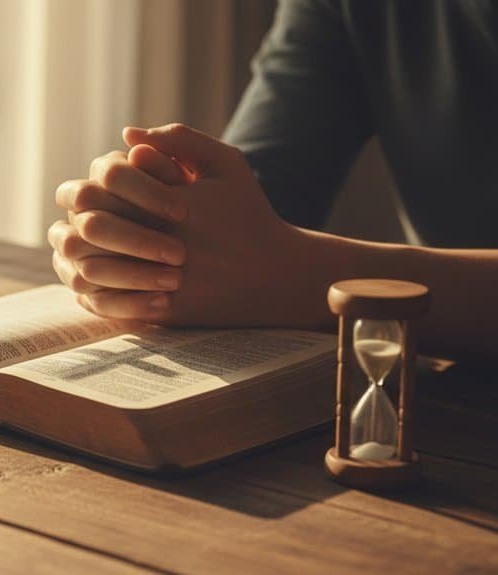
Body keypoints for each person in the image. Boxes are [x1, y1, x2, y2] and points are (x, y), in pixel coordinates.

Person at [47, 0, 498, 361]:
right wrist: (155, 222)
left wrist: (303, 278)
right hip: (448, 385)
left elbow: (263, 262)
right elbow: (261, 191)